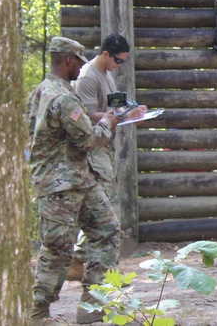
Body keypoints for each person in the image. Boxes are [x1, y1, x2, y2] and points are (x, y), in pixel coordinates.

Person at [28, 37, 120, 325]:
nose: (81, 67)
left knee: (106, 229)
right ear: (68, 60)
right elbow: (88, 140)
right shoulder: (64, 98)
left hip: (80, 179)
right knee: (57, 248)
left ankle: (94, 307)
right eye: (79, 62)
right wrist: (107, 123)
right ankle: (37, 314)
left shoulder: (42, 90)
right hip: (61, 186)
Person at [65, 33, 145, 282]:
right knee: (108, 211)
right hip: (93, 149)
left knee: (101, 209)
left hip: (104, 147)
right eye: (117, 61)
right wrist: (125, 117)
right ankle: (103, 273)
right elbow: (88, 115)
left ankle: (79, 261)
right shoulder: (88, 76)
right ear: (105, 53)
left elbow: (111, 108)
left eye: (123, 62)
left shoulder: (106, 73)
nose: (119, 65)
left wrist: (132, 110)